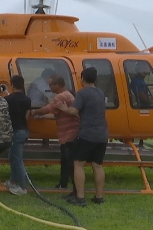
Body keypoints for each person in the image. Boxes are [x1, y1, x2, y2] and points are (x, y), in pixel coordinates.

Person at [57, 67, 109, 207]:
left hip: (87, 135)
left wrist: (63, 109)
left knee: (78, 164)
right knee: (97, 165)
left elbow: (74, 111)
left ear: (82, 78)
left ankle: (80, 197)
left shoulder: (82, 93)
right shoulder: (100, 93)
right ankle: (99, 197)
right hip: (102, 135)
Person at [31, 74, 79, 194]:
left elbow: (47, 108)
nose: (49, 87)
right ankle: (63, 184)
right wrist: (42, 116)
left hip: (69, 135)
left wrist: (35, 111)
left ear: (57, 85)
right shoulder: (67, 94)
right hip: (68, 135)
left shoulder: (60, 97)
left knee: (70, 163)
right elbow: (57, 114)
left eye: (51, 84)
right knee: (65, 161)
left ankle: (76, 190)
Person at [2, 75, 31, 196]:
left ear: (12, 85)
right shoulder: (27, 99)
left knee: (17, 159)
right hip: (23, 130)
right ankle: (13, 181)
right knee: (12, 156)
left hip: (15, 132)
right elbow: (27, 117)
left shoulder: (8, 100)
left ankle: (23, 187)